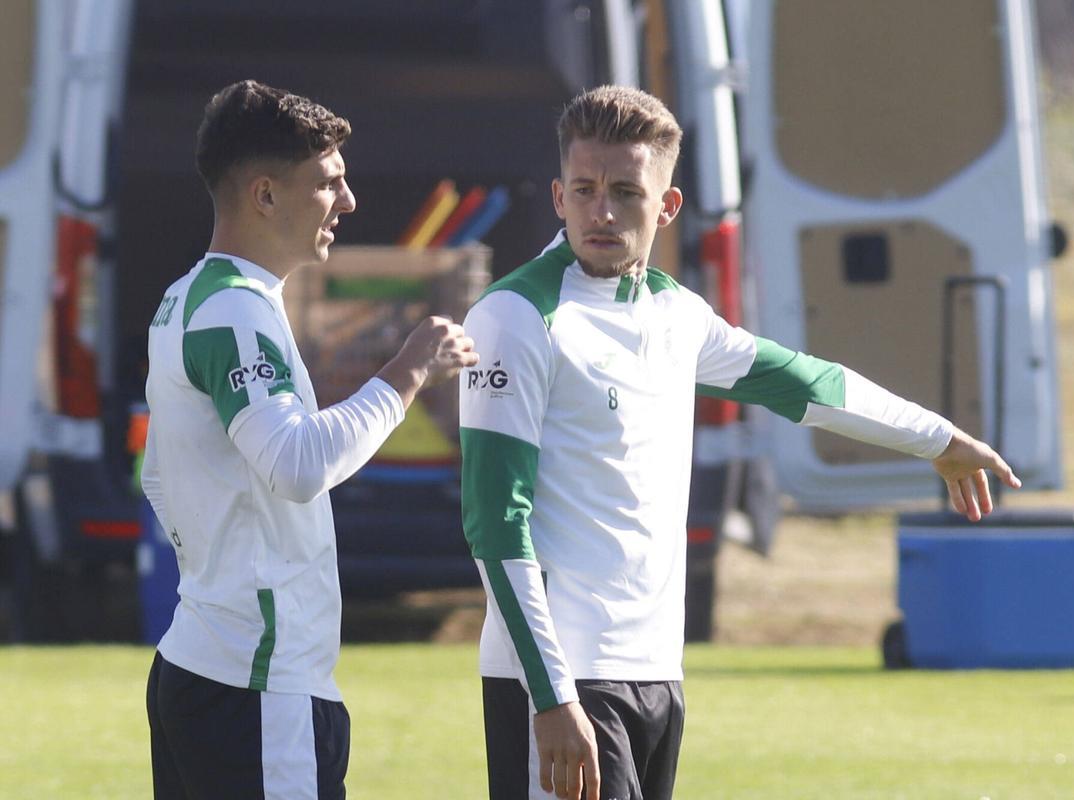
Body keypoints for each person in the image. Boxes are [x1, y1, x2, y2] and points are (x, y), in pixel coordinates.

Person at [458, 85, 1021, 800]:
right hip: (563, 679)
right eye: (585, 189)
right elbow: (494, 524)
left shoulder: (675, 313)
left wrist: (937, 438)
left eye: (626, 192)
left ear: (667, 207)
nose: (602, 211)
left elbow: (804, 383)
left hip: (657, 669)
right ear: (557, 197)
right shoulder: (514, 316)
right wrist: (549, 695)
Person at [141, 80, 478, 799]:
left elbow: (158, 478)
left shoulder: (188, 299)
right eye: (328, 182)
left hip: (208, 666)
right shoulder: (234, 312)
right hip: (255, 686)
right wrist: (409, 367)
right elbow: (297, 466)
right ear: (264, 196)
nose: (348, 202)